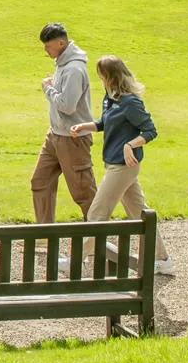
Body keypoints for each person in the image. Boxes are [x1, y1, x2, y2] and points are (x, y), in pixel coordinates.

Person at [70, 56, 175, 276]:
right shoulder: (110, 99)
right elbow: (103, 123)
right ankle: (162, 259)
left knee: (98, 212)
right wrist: (84, 127)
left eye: (102, 76)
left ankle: (76, 261)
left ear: (110, 77)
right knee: (140, 213)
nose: (100, 80)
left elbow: (150, 131)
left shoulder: (131, 103)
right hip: (113, 164)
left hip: (123, 167)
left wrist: (131, 144)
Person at [32, 23, 98, 224]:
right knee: (40, 182)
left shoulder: (74, 70)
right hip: (55, 135)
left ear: (61, 42)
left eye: (48, 45)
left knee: (83, 192)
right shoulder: (62, 65)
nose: (45, 49)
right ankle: (44, 235)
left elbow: (67, 106)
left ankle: (98, 235)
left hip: (73, 138)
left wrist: (48, 88)